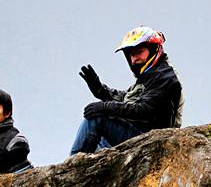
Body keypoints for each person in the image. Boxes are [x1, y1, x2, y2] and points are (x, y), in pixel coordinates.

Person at [71, 26, 183, 154]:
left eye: (139, 52)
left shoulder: (164, 77)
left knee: (97, 119)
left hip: (153, 140)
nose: (135, 59)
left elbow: (144, 110)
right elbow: (127, 99)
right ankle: (83, 169)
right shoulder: (150, 75)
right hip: (142, 136)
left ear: (153, 50)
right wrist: (100, 90)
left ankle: (70, 168)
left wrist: (104, 107)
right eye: (132, 55)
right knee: (98, 141)